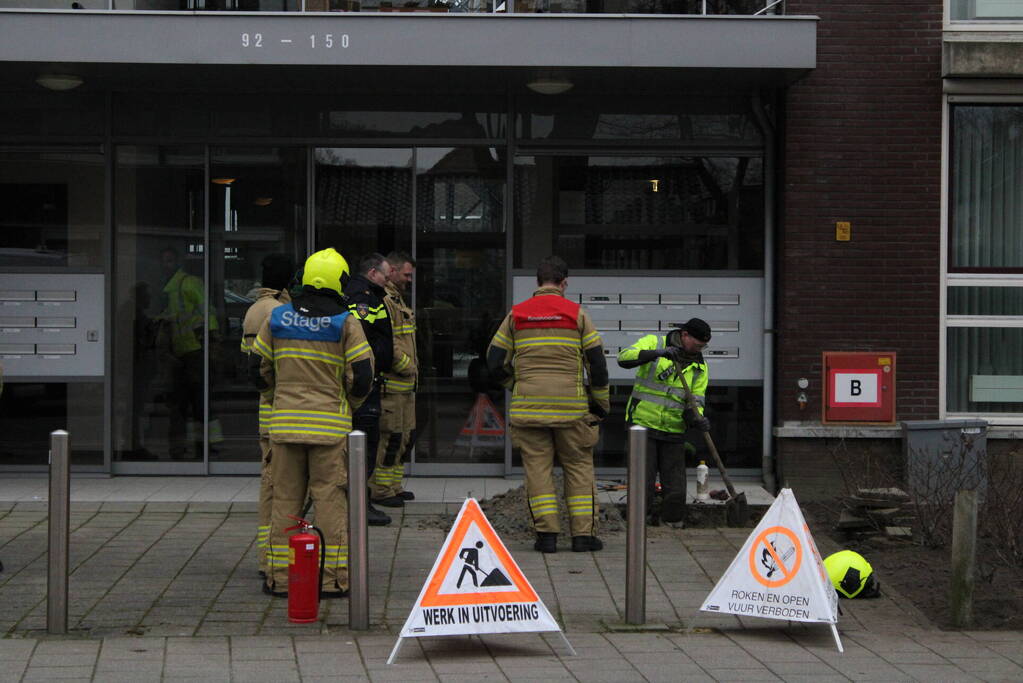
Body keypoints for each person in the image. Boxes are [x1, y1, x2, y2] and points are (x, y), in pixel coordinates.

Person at [251, 248, 374, 597]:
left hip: (285, 426)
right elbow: (363, 376)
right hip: (329, 431)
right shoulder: (346, 322)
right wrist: (347, 403)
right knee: (330, 502)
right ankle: (331, 580)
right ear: (340, 281)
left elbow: (256, 370)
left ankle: (278, 578)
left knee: (285, 501)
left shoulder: (277, 318)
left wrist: (278, 398)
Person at [486, 256, 609, 553]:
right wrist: (600, 404)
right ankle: (582, 537)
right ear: (564, 283)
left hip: (529, 411)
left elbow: (493, 362)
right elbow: (597, 364)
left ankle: (547, 537)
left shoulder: (516, 315)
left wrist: (517, 385)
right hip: (572, 410)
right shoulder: (577, 314)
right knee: (579, 469)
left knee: (537, 472)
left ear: (538, 282)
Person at [617, 318, 712, 527]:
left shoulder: (700, 368)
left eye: (703, 346)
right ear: (684, 335)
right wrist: (658, 353)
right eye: (697, 345)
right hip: (642, 426)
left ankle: (673, 523)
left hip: (673, 430)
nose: (699, 350)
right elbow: (623, 358)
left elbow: (696, 401)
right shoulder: (655, 342)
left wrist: (697, 419)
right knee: (643, 483)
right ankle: (637, 524)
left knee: (676, 487)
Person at [240, 253, 295, 580]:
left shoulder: (253, 309)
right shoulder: (276, 313)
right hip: (277, 408)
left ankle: (268, 553)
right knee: (277, 487)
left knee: (271, 483)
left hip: (267, 406)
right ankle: (270, 557)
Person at [344, 253, 396, 526]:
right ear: (373, 272)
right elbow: (361, 339)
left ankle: (360, 503)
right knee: (364, 444)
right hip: (364, 384)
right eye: (386, 276)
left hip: (370, 380)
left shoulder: (370, 294)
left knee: (366, 444)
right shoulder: (362, 297)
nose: (389, 281)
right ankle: (359, 506)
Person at [157, 247, 220, 460]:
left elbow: (207, 313)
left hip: (194, 351)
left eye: (169, 261)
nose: (165, 266)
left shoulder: (189, 283)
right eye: (163, 261)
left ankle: (206, 445)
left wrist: (210, 343)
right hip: (182, 353)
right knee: (184, 402)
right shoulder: (171, 290)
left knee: (196, 400)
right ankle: (196, 445)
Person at [370, 252, 418, 507]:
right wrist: (407, 366)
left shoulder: (398, 300)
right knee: (390, 439)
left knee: (403, 438)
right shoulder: (386, 301)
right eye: (406, 274)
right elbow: (387, 344)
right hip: (393, 385)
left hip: (405, 387)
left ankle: (393, 485)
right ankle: (381, 490)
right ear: (393, 271)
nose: (409, 280)